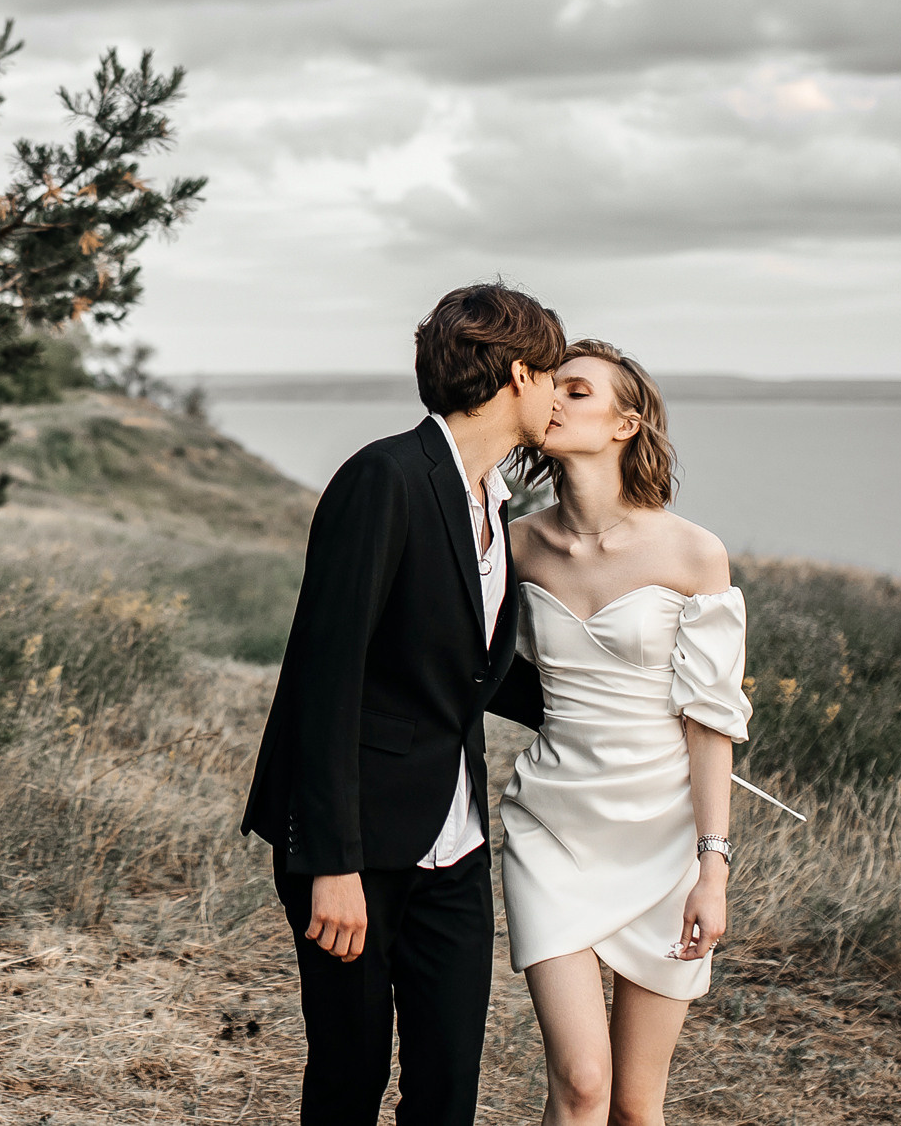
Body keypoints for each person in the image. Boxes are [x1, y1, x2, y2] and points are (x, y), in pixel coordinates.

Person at [240, 283, 567, 1126]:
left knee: (447, 1081)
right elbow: (324, 676)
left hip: (454, 841)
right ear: (519, 374)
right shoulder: (384, 477)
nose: (561, 394)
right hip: (358, 845)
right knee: (351, 1074)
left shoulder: (496, 499)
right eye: (556, 376)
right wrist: (331, 864)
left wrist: (615, 704)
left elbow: (471, 668)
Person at [500, 339, 753, 1126]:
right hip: (553, 826)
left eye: (578, 390)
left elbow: (711, 721)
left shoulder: (692, 551)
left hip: (666, 837)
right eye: (552, 388)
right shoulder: (516, 543)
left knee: (638, 1107)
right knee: (579, 1084)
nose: (556, 400)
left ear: (626, 422)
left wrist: (713, 869)